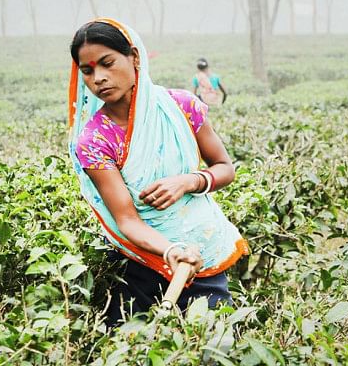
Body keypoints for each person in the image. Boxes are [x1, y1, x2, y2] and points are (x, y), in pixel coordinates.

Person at [67, 18, 249, 326]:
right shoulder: (95, 140)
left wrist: (189, 181)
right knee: (131, 352)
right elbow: (126, 219)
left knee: (215, 348)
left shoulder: (182, 106)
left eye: (107, 63)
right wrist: (173, 251)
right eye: (87, 71)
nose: (98, 78)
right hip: (140, 260)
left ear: (134, 57)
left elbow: (224, 168)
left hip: (201, 250)